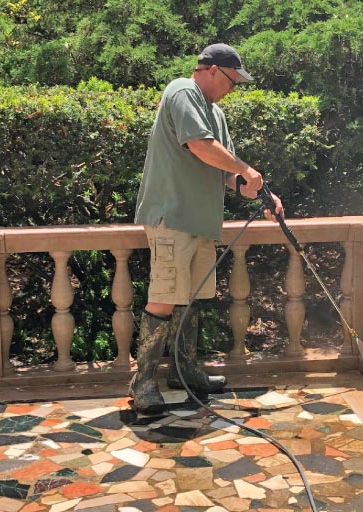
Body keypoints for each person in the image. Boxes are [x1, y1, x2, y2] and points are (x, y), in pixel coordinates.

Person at [131, 43, 284, 414]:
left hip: (201, 222)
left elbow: (224, 171)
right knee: (164, 298)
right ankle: (143, 384)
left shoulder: (216, 113)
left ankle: (185, 374)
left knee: (192, 299)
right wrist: (245, 169)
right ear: (212, 71)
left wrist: (257, 191)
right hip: (172, 217)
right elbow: (201, 147)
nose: (233, 89)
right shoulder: (182, 90)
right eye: (232, 81)